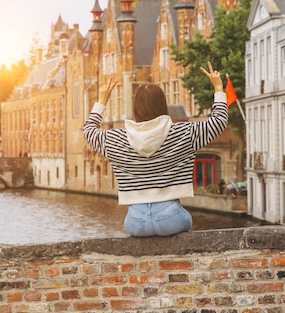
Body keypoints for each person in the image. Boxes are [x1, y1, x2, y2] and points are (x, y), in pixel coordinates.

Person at [83, 62, 228, 237]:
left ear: (136, 109)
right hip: (171, 218)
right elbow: (219, 120)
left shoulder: (117, 138)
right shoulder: (184, 132)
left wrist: (101, 101)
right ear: (163, 106)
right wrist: (218, 88)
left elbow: (89, 131)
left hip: (135, 221)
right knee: (187, 221)